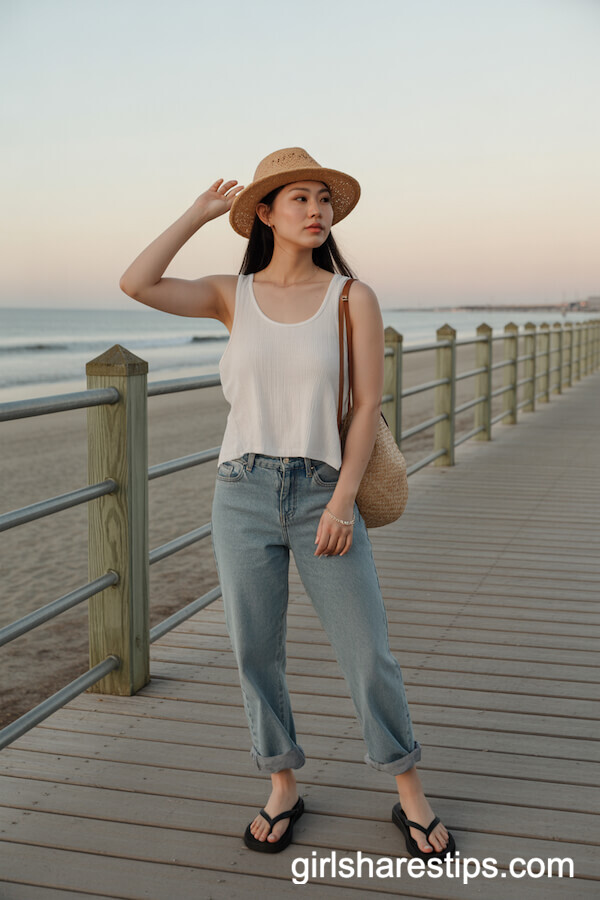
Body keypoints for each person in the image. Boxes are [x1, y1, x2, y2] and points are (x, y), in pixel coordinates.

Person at [119, 147, 456, 861]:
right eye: (299, 198)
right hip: (240, 492)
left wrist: (339, 506)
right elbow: (135, 282)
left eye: (324, 200)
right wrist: (199, 212)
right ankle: (281, 784)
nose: (316, 210)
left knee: (367, 652)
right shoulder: (227, 295)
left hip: (320, 493)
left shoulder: (350, 296)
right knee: (254, 651)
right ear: (265, 215)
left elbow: (366, 407)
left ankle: (409, 790)